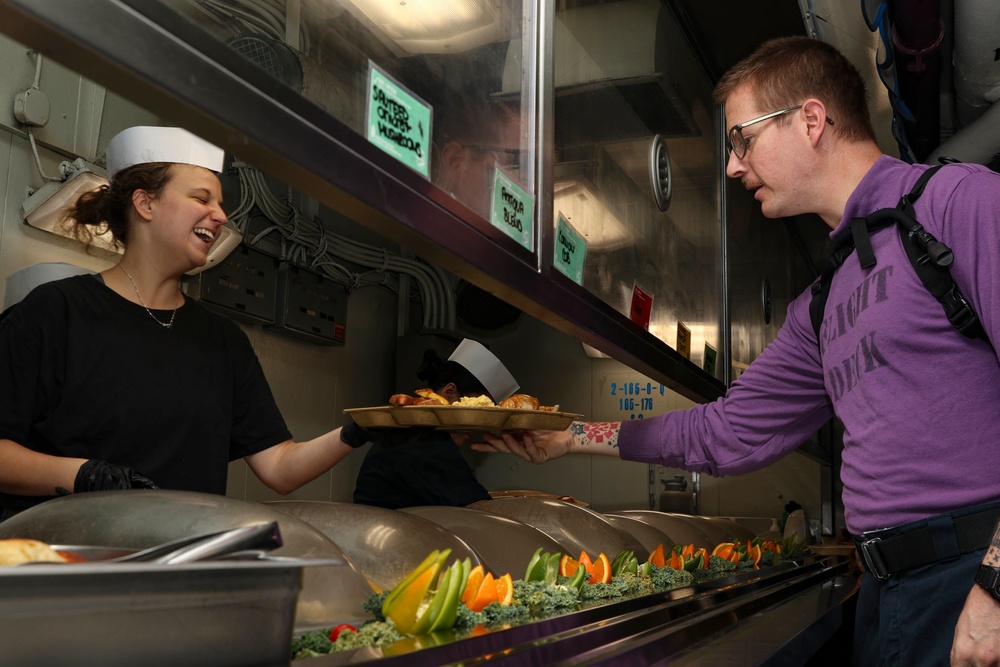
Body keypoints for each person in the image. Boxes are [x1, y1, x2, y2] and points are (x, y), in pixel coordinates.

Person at [475, 36, 1000, 666]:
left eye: (742, 138)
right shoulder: (823, 300)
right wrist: (572, 435)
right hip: (887, 595)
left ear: (811, 120)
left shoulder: (957, 204)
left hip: (972, 575)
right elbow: (727, 432)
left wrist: (994, 583)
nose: (731, 166)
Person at [0, 125, 364, 518]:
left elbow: (279, 467)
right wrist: (83, 475)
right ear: (145, 204)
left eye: (221, 204)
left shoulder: (224, 342)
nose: (221, 216)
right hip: (68, 567)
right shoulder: (54, 312)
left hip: (180, 567)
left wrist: (359, 431)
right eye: (201, 197)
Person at [351, 338, 519, 509]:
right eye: (480, 407)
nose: (479, 424)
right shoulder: (422, 439)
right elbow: (480, 512)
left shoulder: (420, 431)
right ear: (450, 392)